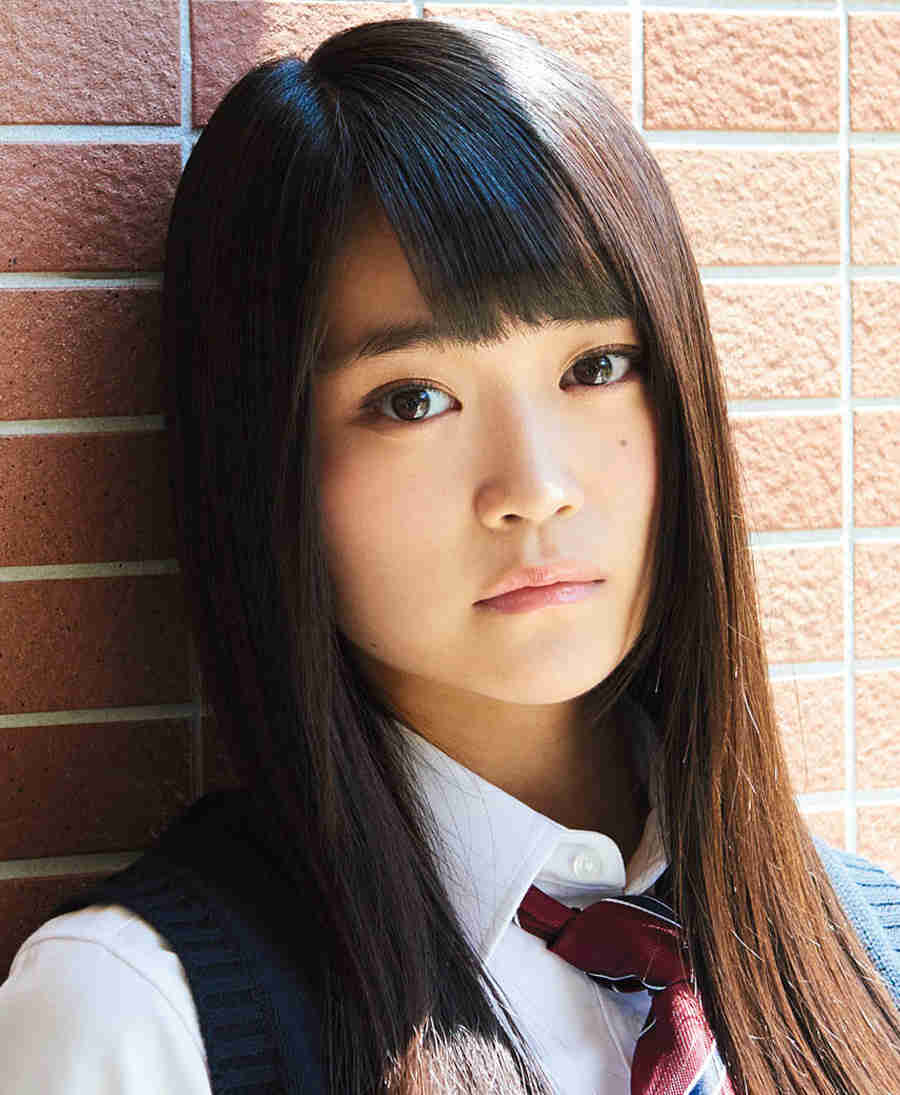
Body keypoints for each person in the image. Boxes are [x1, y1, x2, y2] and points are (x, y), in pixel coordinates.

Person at [0, 16, 898, 1095]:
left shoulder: (872, 955)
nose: (534, 487)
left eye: (596, 367)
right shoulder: (138, 1017)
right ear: (266, 461)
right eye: (413, 399)